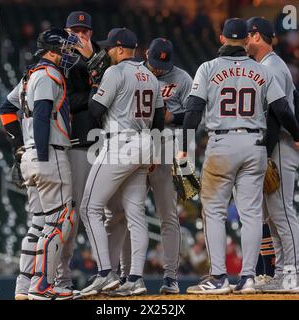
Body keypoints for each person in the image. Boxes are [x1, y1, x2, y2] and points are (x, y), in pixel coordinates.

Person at [178, 18, 299, 294]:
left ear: (222, 38)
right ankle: (249, 277)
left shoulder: (208, 68)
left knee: (214, 211)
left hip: (223, 143)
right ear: (245, 40)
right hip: (255, 144)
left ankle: (218, 278)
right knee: (252, 214)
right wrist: (298, 135)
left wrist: (183, 146)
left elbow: (193, 110)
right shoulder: (261, 71)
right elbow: (284, 110)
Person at [79, 27, 164, 297]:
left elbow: (95, 110)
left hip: (120, 143)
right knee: (136, 215)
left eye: (109, 48)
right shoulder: (151, 76)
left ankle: (106, 273)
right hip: (144, 144)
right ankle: (136, 279)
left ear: (118, 48)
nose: (106, 53)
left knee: (89, 207)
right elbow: (160, 120)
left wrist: (94, 84)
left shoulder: (114, 72)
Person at [104, 38, 193, 294]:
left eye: (164, 65)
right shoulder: (134, 74)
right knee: (130, 213)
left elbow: (194, 114)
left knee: (168, 214)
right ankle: (128, 275)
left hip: (167, 145)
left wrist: (171, 117)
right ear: (146, 54)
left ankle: (171, 277)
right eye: (155, 63)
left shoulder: (183, 78)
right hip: (138, 144)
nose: (159, 69)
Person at [0, 28, 81, 300]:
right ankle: (42, 283)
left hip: (31, 156)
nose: (69, 53)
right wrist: (43, 154)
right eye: (65, 48)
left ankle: (23, 286)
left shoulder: (29, 76)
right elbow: (43, 114)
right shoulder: (48, 75)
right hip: (49, 154)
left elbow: (6, 109)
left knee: (37, 224)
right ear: (52, 49)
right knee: (60, 221)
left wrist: (19, 147)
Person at [246, 17, 299, 293]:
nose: (244, 41)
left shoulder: (271, 66)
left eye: (247, 36)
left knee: (282, 211)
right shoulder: (267, 66)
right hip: (278, 144)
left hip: (282, 145)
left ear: (257, 36)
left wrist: (295, 138)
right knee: (273, 214)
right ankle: (282, 271)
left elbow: (282, 111)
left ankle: (294, 273)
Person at [52, 10, 103, 299]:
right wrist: (96, 94)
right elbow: (66, 100)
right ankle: (62, 278)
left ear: (90, 33)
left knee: (105, 214)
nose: (80, 35)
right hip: (77, 143)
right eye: (75, 30)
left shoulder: (101, 57)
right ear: (66, 31)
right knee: (71, 215)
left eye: (84, 31)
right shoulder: (63, 62)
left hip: (105, 143)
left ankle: (108, 274)